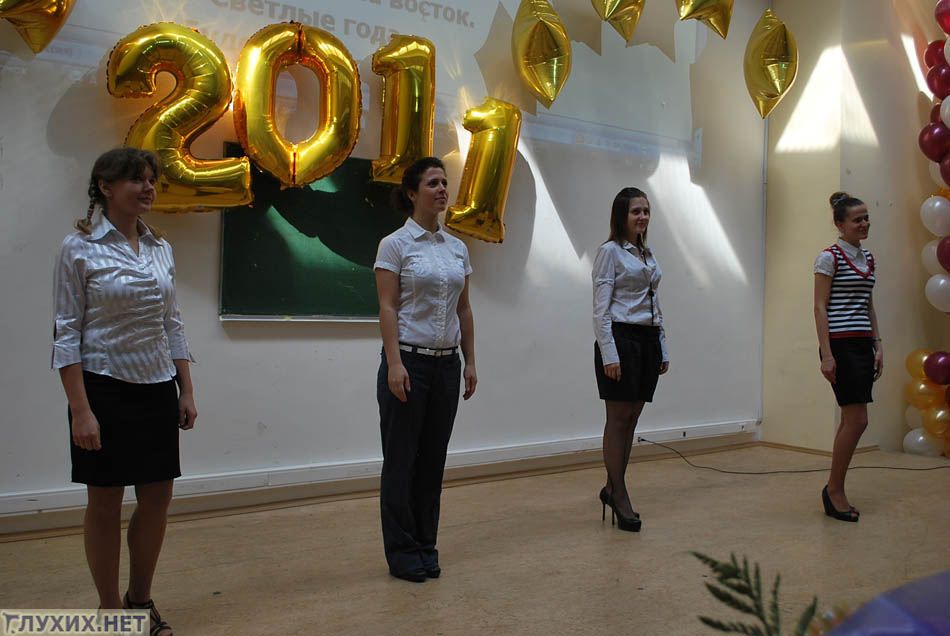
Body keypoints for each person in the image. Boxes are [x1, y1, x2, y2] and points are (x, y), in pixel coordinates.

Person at [52, 147, 196, 634]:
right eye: (137, 179)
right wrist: (80, 410)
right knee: (105, 502)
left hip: (157, 386)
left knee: (156, 499)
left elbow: (172, 323)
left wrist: (185, 389)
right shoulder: (78, 247)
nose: (148, 187)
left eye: (152, 179)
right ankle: (110, 611)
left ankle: (140, 601)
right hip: (102, 389)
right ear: (106, 187)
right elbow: (66, 333)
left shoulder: (160, 248)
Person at [374, 156, 477, 582]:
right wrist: (395, 363)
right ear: (412, 193)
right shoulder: (395, 245)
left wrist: (470, 361)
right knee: (402, 461)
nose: (442, 189)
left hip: (446, 366)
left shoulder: (457, 248)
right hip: (408, 363)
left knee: (433, 461)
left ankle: (425, 545)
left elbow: (464, 308)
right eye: (433, 183)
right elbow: (387, 307)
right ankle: (402, 553)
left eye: (444, 182)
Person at [592, 187, 670, 533]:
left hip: (647, 340)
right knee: (618, 419)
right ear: (621, 216)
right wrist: (609, 353)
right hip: (620, 339)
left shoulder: (647, 254)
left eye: (646, 211)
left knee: (633, 419)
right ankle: (619, 492)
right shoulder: (609, 252)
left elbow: (654, 304)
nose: (642, 217)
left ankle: (612, 488)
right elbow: (600, 310)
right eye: (636, 211)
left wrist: (662, 347)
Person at [813, 191, 881, 523]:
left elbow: (868, 305)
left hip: (863, 343)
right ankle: (834, 489)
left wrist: (878, 344)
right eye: (857, 220)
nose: (864, 223)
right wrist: (827, 354)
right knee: (858, 420)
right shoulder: (829, 257)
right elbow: (820, 307)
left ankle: (834, 488)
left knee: (850, 419)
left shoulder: (868, 258)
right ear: (840, 224)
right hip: (841, 346)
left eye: (866, 218)